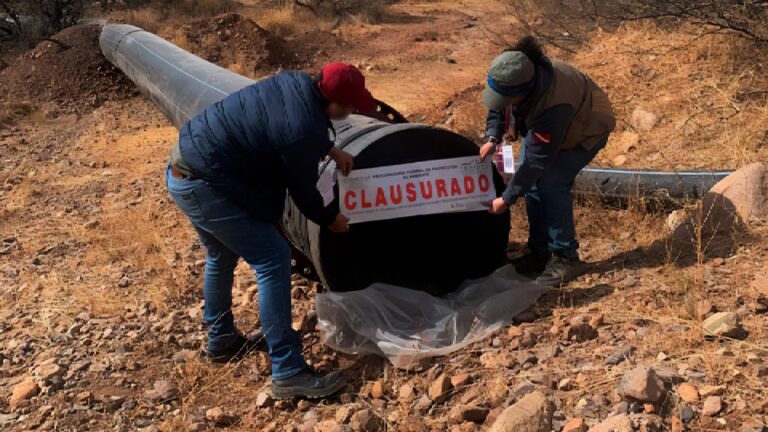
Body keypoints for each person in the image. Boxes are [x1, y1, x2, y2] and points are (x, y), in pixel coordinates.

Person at [165, 62, 375, 399]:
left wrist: (330, 149)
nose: (351, 112)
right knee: (273, 259)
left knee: (221, 254)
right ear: (332, 101)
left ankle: (221, 340)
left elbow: (280, 125)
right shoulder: (302, 130)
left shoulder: (296, 83)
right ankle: (288, 371)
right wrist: (329, 219)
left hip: (185, 168)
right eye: (350, 106)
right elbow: (303, 190)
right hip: (207, 184)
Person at [480, 36, 616, 287]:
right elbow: (498, 105)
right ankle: (540, 252)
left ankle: (566, 256)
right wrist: (492, 137)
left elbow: (536, 162)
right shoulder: (513, 75)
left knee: (551, 182)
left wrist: (506, 199)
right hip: (549, 126)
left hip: (585, 127)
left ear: (524, 92)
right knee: (532, 185)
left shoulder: (554, 105)